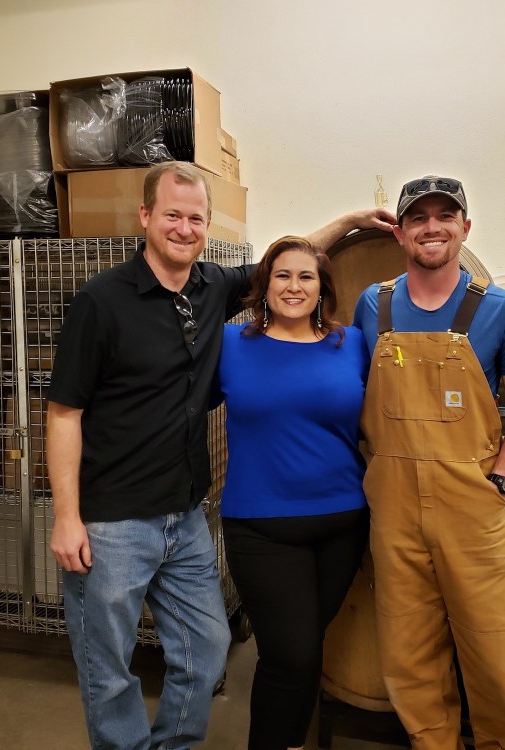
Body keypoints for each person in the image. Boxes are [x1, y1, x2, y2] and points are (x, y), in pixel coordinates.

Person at [47, 159, 392, 750]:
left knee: (206, 652)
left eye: (196, 218)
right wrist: (66, 516)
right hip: (112, 519)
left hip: (184, 514)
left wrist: (352, 220)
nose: (184, 228)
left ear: (208, 226)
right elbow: (63, 414)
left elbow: (288, 262)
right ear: (145, 216)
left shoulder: (211, 288)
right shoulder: (101, 301)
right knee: (108, 669)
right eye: (172, 215)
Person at [351, 175, 505, 750]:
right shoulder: (374, 304)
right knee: (409, 654)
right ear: (400, 233)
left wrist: (502, 477)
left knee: (499, 651)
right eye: (418, 218)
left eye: (444, 216)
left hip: (473, 507)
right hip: (394, 509)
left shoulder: (501, 309)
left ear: (465, 228)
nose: (431, 227)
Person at [216, 236, 370, 750]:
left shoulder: (352, 343)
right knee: (291, 656)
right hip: (261, 528)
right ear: (264, 284)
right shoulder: (231, 345)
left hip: (343, 524)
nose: (294, 286)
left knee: (306, 651)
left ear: (322, 288)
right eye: (282, 275)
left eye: (306, 276)